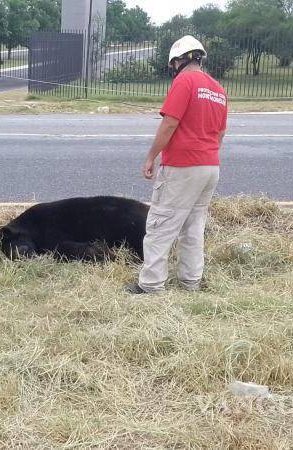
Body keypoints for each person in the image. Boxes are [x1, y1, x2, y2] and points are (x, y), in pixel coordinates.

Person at [126, 35, 228, 295]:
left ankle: (151, 284)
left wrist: (151, 156)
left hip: (183, 166)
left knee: (160, 224)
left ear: (179, 60)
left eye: (173, 64)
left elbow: (170, 123)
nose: (173, 68)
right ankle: (191, 282)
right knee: (194, 227)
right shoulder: (218, 89)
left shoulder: (184, 81)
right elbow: (220, 133)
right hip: (210, 166)